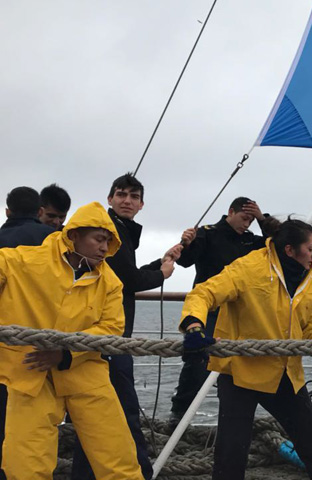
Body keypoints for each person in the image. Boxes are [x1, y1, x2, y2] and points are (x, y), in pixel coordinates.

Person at [179, 217, 312, 480]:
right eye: (311, 248)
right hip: (241, 373)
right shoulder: (248, 267)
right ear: (289, 250)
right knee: (231, 455)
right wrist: (194, 326)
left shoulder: (311, 278)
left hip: (285, 373)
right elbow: (204, 294)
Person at [0, 201, 143, 479]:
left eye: (108, 242)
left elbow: (113, 327)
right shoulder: (21, 261)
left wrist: (65, 352)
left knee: (117, 457)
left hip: (86, 374)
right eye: (99, 239)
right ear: (74, 235)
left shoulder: (110, 282)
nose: (104, 248)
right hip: (30, 373)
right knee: (25, 462)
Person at [71, 174, 180, 480]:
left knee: (92, 415)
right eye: (121, 194)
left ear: (141, 204)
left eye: (133, 196)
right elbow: (128, 282)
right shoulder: (112, 230)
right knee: (123, 411)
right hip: (107, 337)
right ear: (110, 199)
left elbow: (125, 274)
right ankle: (141, 474)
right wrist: (162, 275)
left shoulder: (120, 232)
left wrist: (162, 262)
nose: (127, 200)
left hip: (104, 336)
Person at [170, 197, 270, 420]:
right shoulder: (208, 233)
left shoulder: (252, 241)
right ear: (230, 212)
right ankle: (179, 415)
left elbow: (279, 245)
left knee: (237, 366)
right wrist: (186, 242)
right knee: (196, 364)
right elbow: (185, 260)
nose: (247, 224)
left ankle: (233, 421)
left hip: (239, 314)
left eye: (251, 220)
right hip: (210, 310)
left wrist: (264, 220)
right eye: (245, 218)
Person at [0, 186, 60, 479]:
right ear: (39, 212)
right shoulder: (54, 241)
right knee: (37, 426)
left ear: (7, 211)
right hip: (47, 346)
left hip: (4, 345)